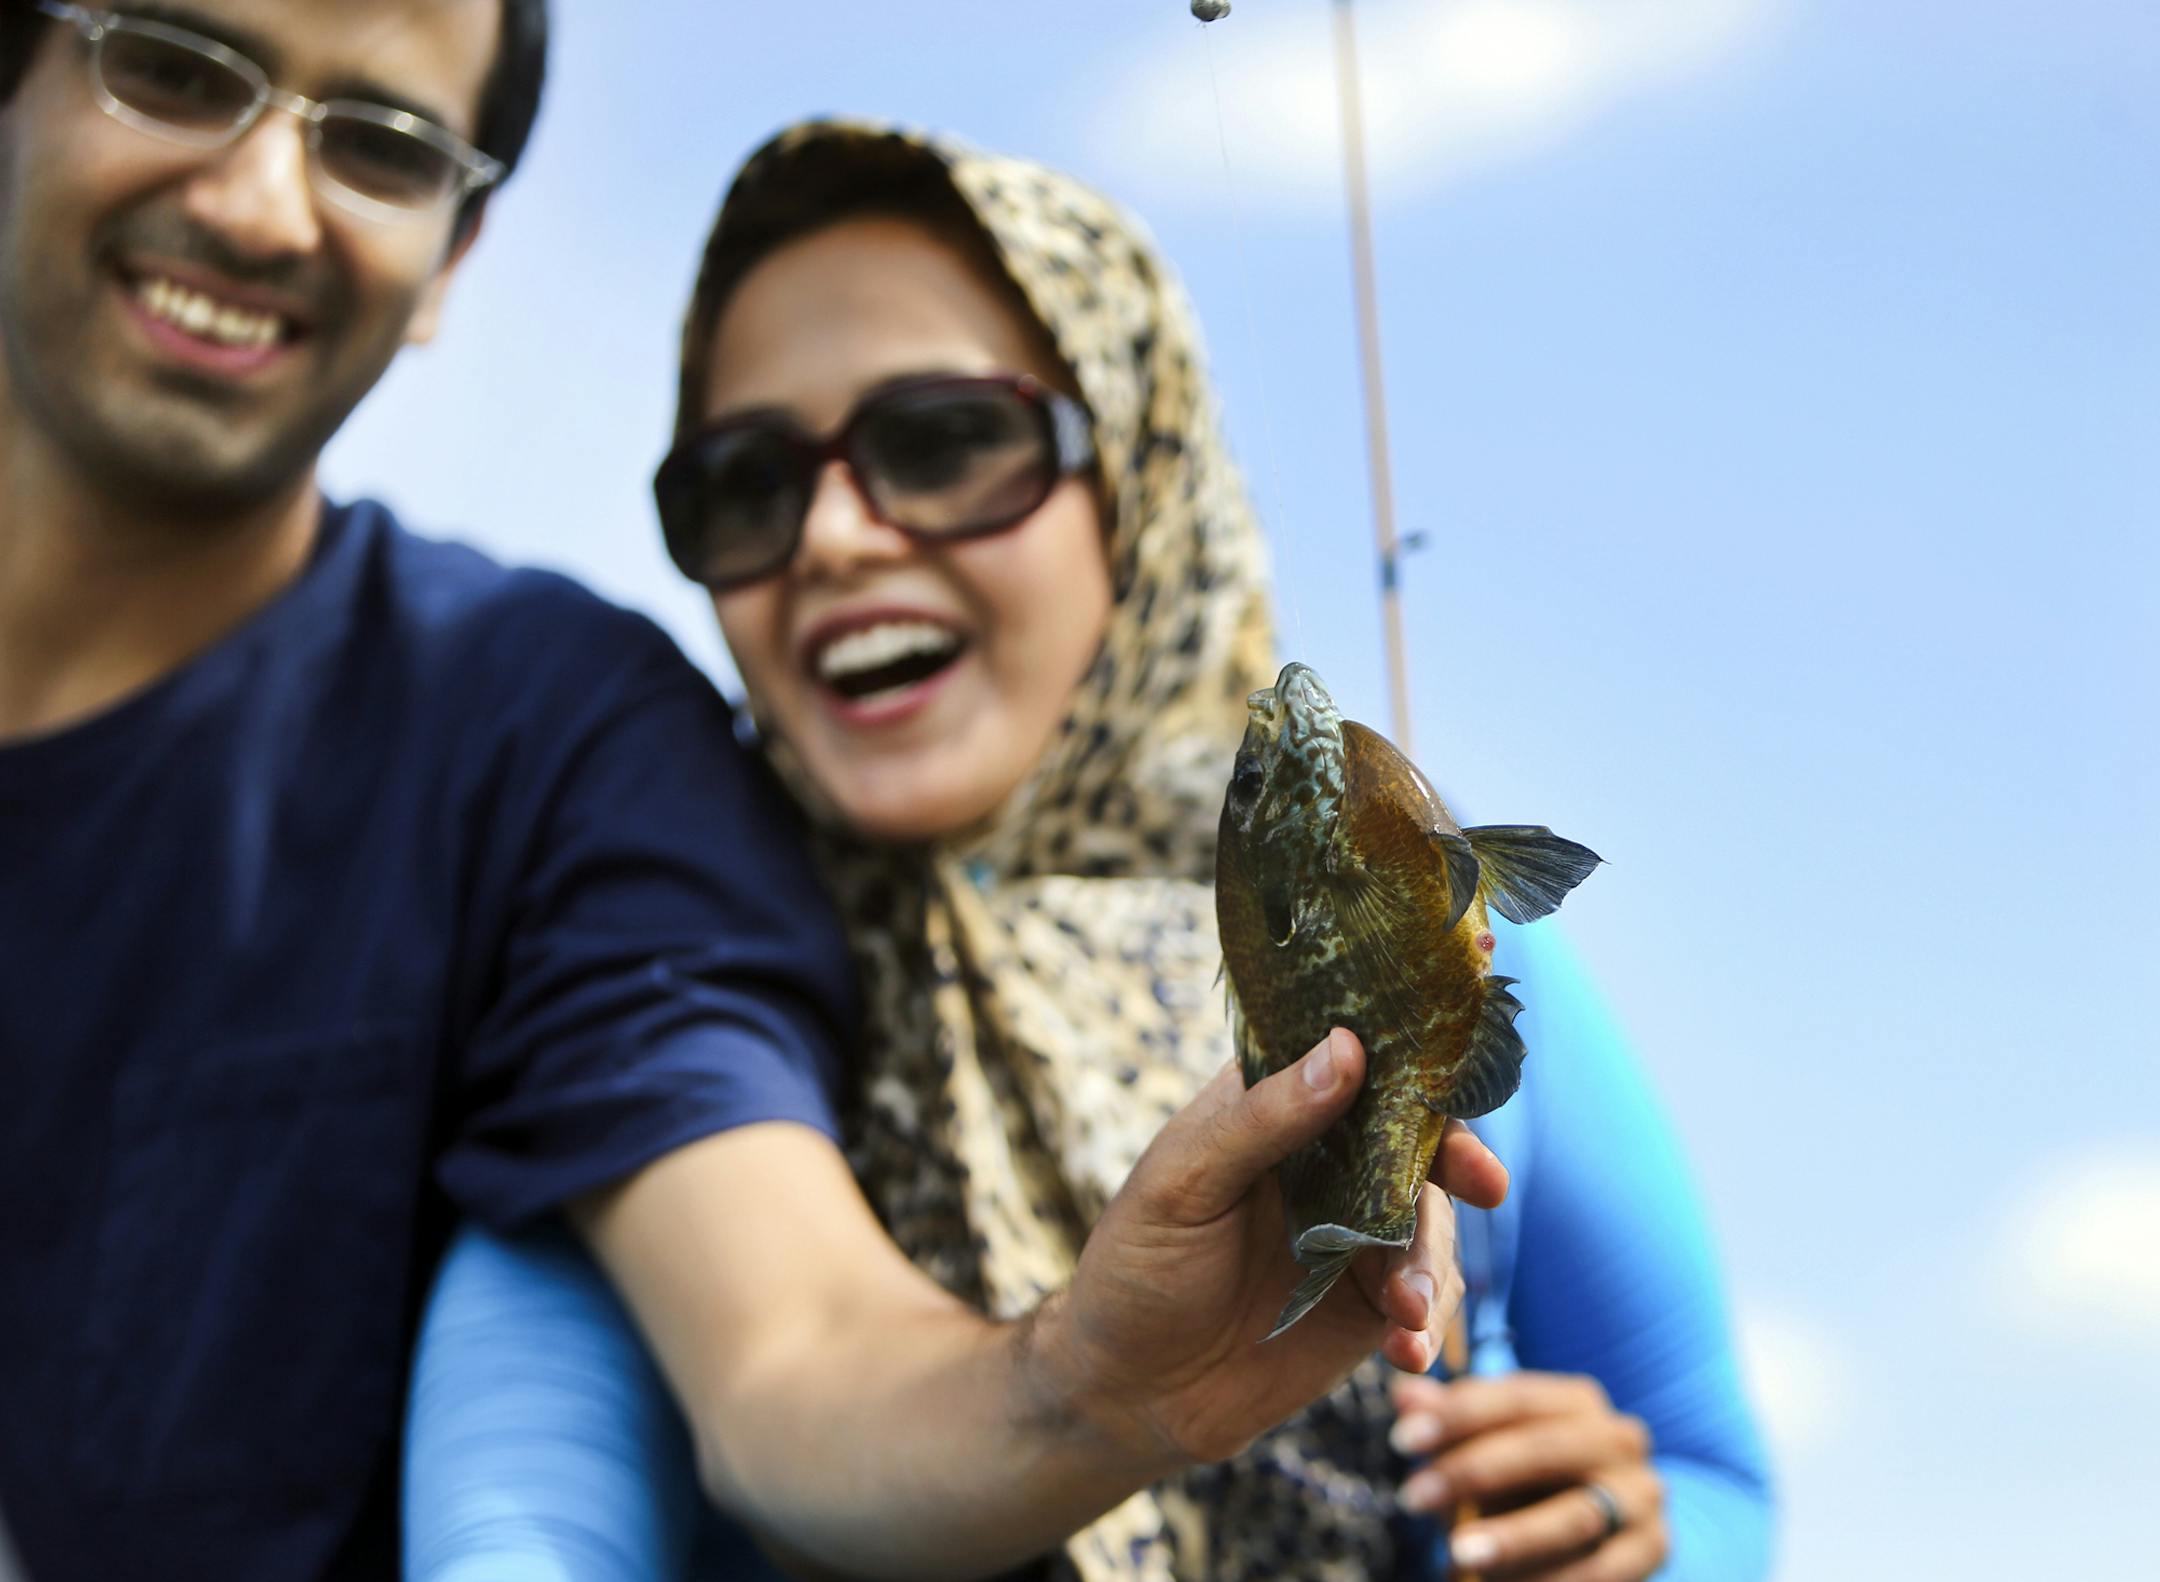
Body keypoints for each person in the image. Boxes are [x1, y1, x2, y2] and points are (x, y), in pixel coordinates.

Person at [0, 7, 1503, 1580]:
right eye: (170, 64)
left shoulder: (545, 742)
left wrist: (1086, 1382)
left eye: (380, 141)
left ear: (455, 249)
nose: (254, 201)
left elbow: (787, 1348)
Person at [404, 120, 1772, 1580]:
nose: (836, 535)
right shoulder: (655, 1006)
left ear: (1138, 471)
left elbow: (1710, 1470)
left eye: (941, 441)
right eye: (746, 483)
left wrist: (1637, 1533)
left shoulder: (1458, 937)